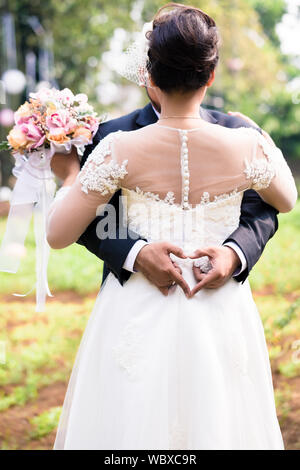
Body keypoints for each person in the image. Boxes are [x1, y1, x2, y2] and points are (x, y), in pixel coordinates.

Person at [48, 3, 297, 449]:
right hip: (220, 312)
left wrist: (68, 175)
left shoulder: (118, 149)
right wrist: (261, 139)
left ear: (149, 74)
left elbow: (57, 234)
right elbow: (287, 200)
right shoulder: (246, 144)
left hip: (136, 313)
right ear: (211, 75)